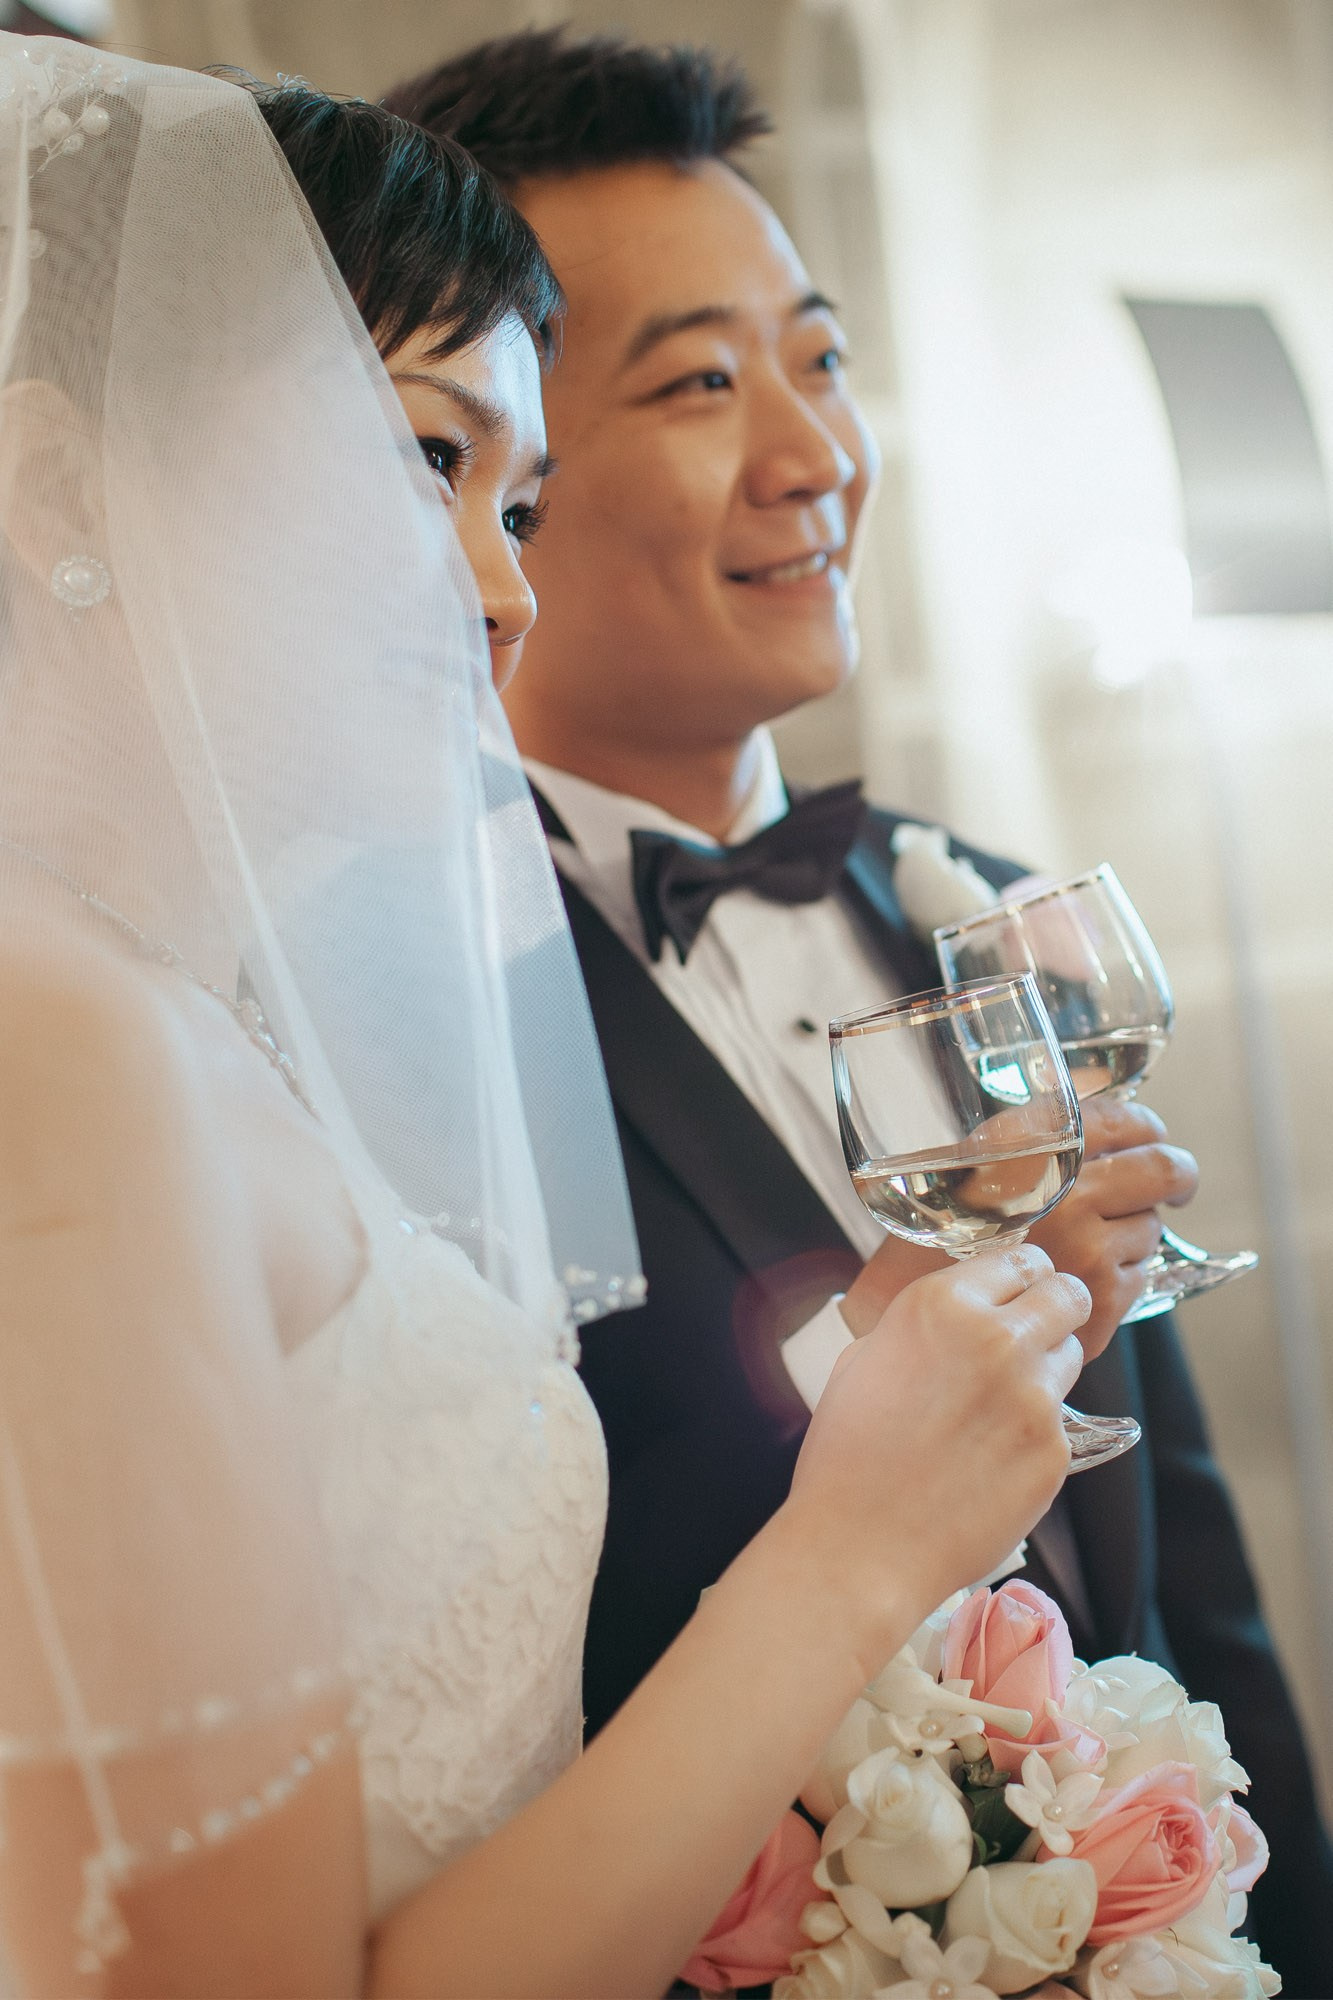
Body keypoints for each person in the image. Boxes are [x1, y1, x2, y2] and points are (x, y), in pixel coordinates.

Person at [0, 38, 1097, 1998]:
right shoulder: (63, 1038)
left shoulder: (205, 1013)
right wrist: (848, 1554)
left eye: (520, 504)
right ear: (56, 479)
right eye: (426, 459)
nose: (503, 593)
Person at [389, 27, 1333, 1987]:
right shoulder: (395, 1007)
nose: (815, 453)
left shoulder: (974, 903)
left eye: (816, 359)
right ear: (500, 458)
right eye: (703, 382)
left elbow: (1180, 1567)